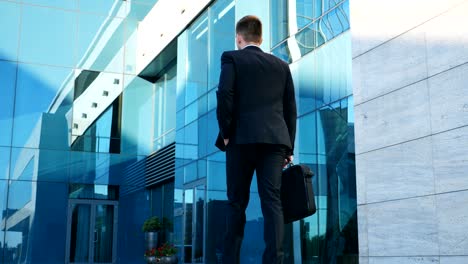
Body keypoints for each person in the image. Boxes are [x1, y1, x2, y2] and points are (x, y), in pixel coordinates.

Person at [215, 15, 297, 264]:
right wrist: (288, 147)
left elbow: (224, 95)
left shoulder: (232, 58)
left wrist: (226, 133)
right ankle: (275, 260)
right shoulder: (282, 66)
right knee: (272, 202)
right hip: (274, 142)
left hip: (240, 139)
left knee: (236, 202)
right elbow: (290, 109)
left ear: (239, 38)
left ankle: (231, 260)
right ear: (261, 38)